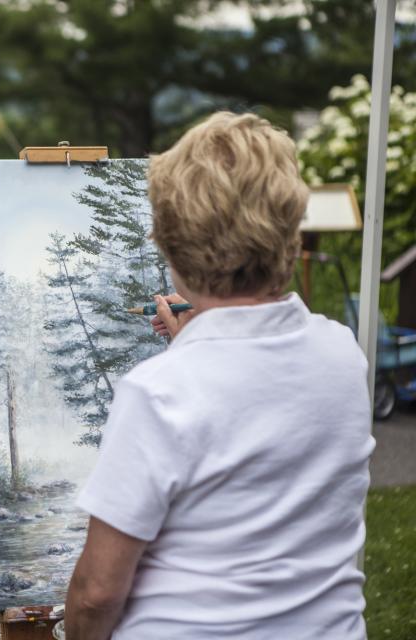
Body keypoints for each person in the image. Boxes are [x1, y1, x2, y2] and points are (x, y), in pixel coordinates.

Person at [64, 112, 374, 640]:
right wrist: (197, 342)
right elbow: (249, 405)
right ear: (291, 231)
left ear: (168, 241)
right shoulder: (343, 353)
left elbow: (97, 594)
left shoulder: (161, 390)